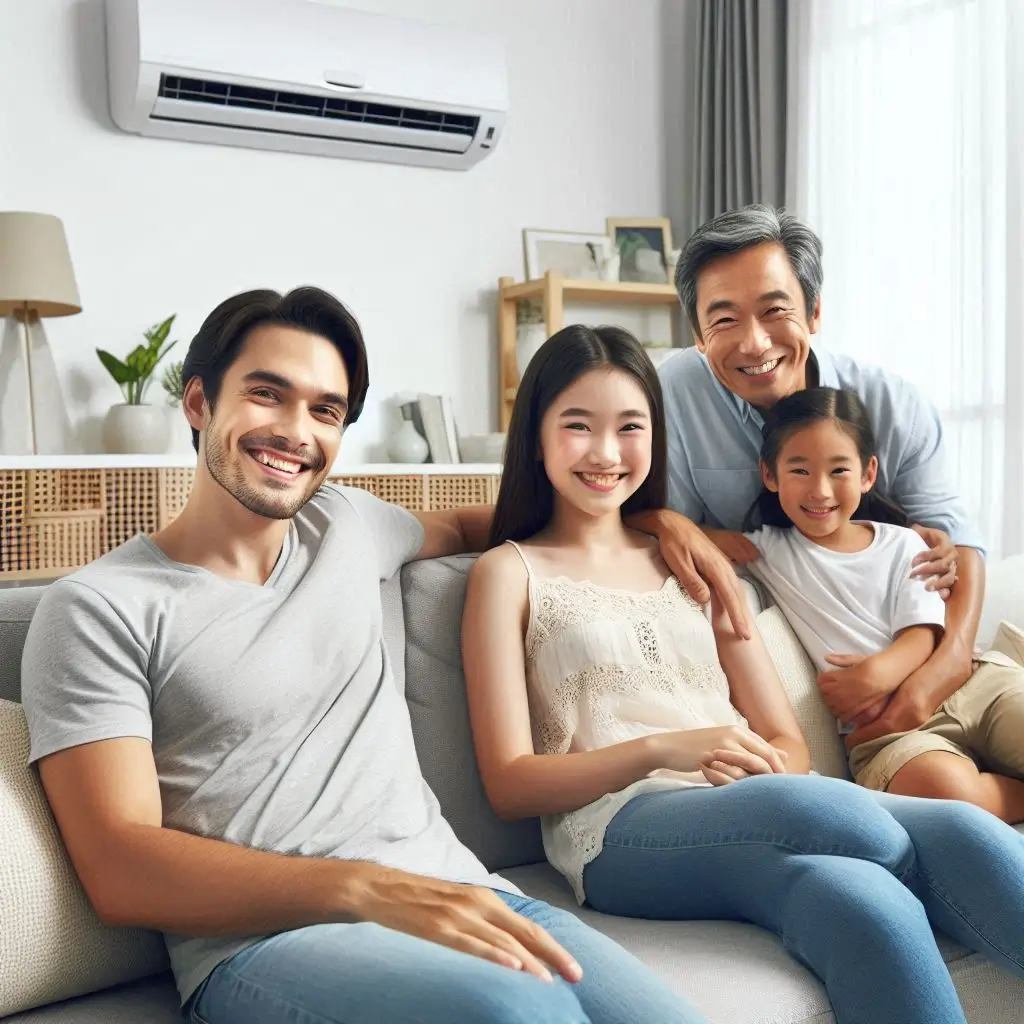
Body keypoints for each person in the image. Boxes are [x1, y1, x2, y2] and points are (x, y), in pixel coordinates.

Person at [19, 287, 707, 1024]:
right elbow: (119, 867)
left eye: (325, 410)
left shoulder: (346, 524)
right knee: (520, 1012)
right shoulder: (99, 607)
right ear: (197, 402)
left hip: (466, 896)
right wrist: (365, 889)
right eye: (266, 394)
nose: (295, 431)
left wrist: (651, 524)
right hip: (271, 944)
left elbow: (471, 526)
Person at [461, 323, 1024, 1024]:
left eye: (630, 427)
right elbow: (510, 784)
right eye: (578, 426)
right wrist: (667, 749)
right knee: (841, 817)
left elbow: (789, 747)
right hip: (618, 831)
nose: (606, 452)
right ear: (536, 438)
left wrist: (759, 772)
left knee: (892, 887)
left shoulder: (693, 559)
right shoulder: (507, 573)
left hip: (760, 803)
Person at [659, 203, 985, 755]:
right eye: (725, 320)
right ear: (697, 333)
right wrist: (665, 519)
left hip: (933, 661)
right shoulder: (672, 392)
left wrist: (943, 668)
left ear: (813, 311)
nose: (754, 343)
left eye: (774, 311)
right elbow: (625, 511)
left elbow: (957, 541)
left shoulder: (892, 404)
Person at [716, 386, 1024, 822]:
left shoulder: (903, 543)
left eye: (839, 470)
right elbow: (680, 536)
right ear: (770, 474)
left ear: (867, 473)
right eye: (799, 470)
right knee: (942, 787)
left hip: (975, 688)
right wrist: (661, 517)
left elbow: (923, 633)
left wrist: (877, 675)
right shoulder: (765, 552)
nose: (820, 490)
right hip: (887, 738)